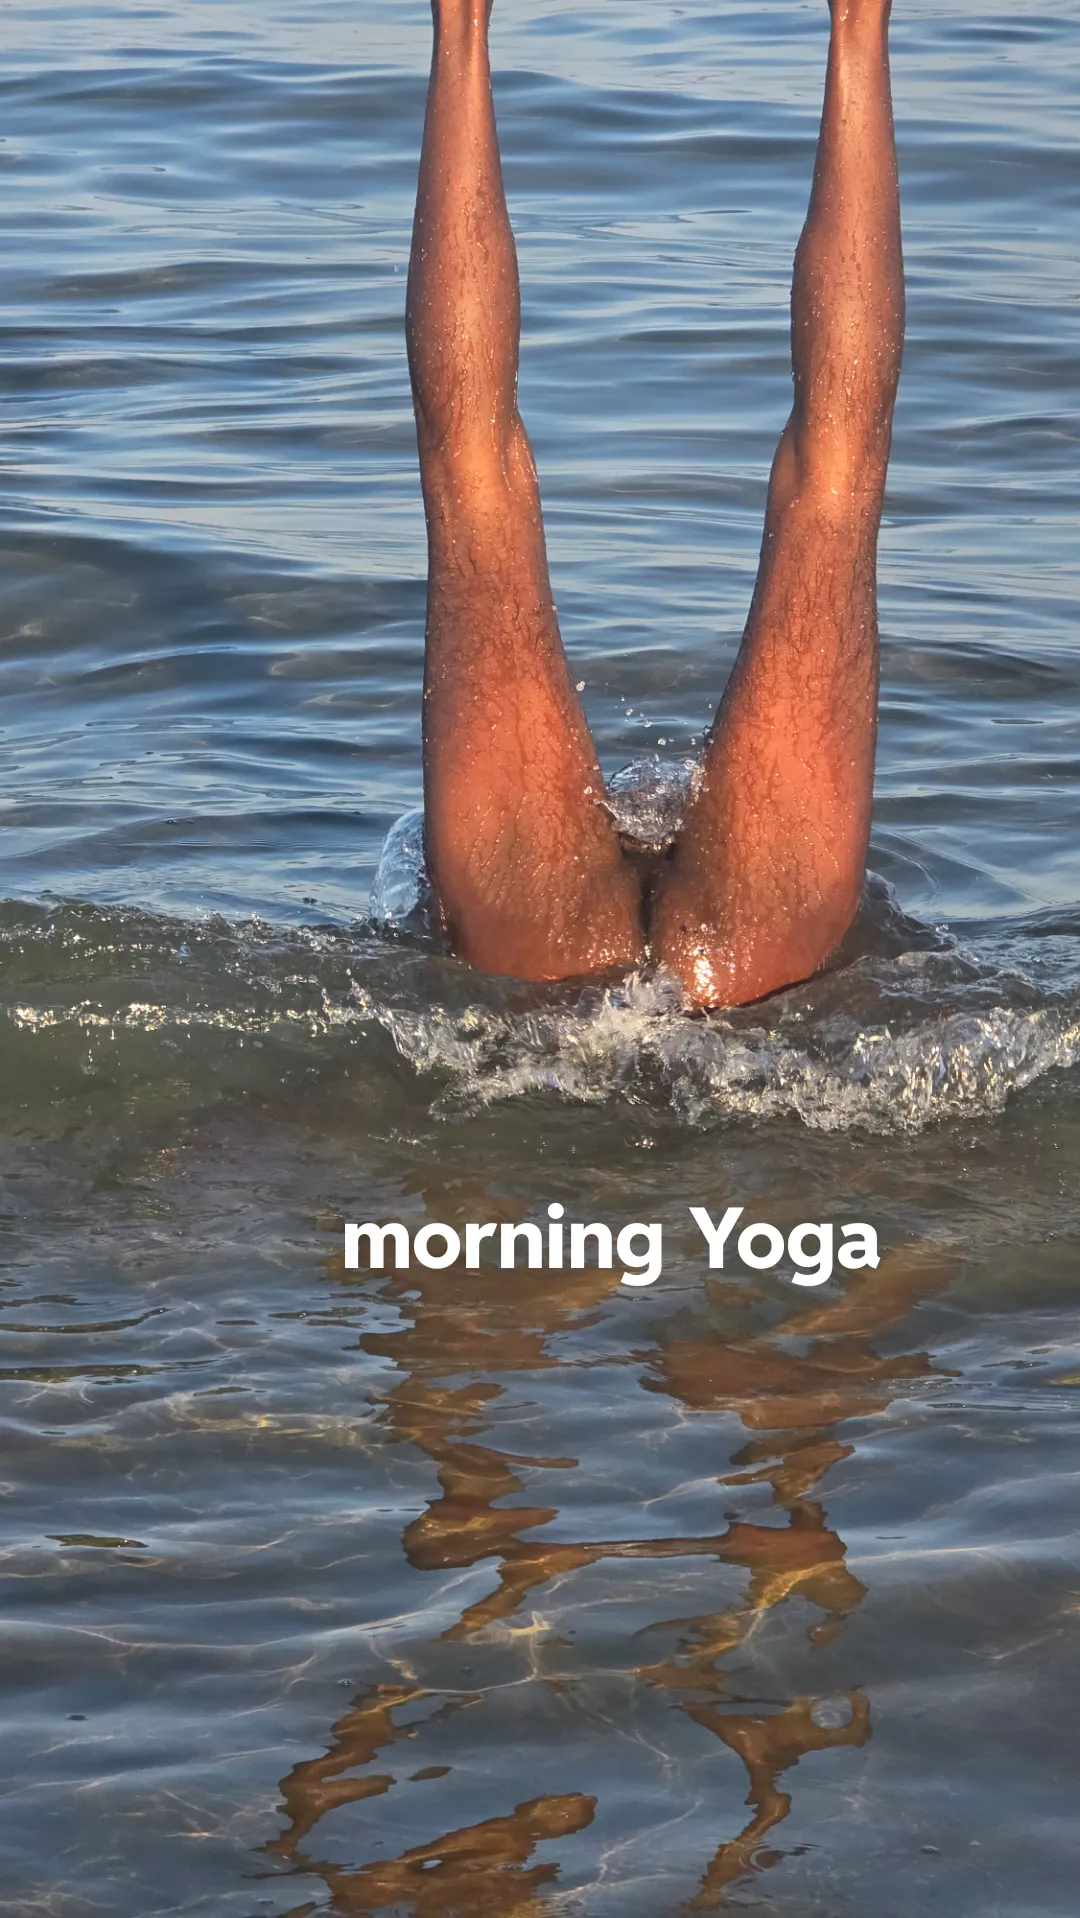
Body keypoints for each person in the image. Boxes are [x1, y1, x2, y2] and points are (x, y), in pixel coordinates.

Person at [405, 0, 903, 1009]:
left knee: (475, 487)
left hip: (536, 956)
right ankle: (860, 25)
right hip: (757, 965)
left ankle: (460, 26)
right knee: (833, 489)